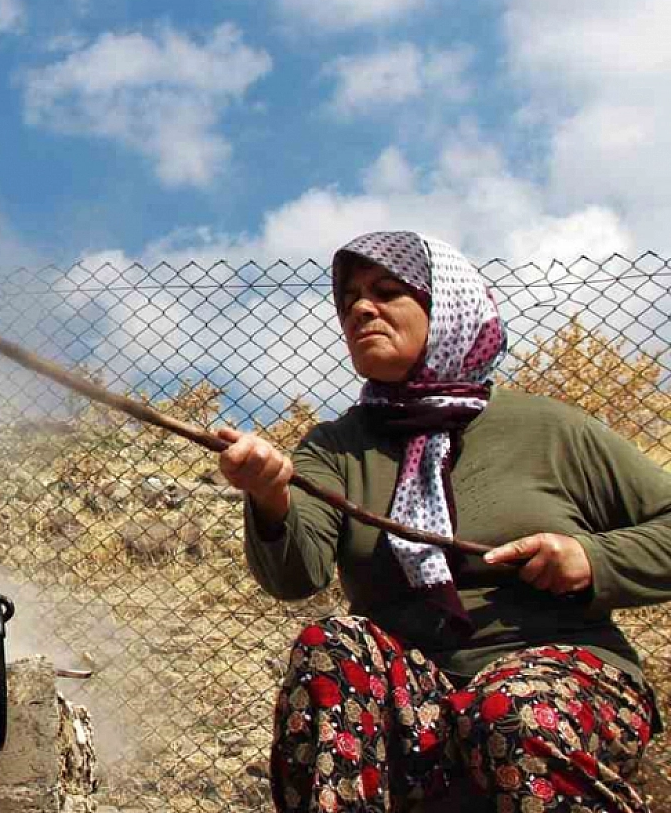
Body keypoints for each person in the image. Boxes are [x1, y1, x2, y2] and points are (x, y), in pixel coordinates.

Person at [216, 231, 666, 812]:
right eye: (348, 298)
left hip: (558, 670)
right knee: (329, 646)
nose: (358, 309)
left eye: (386, 291)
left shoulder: (550, 428)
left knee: (509, 714)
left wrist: (592, 560)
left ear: (446, 306)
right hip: (416, 692)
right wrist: (269, 497)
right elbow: (294, 577)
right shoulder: (336, 448)